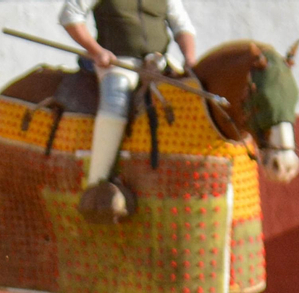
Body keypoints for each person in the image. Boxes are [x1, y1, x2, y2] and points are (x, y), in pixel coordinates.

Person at [59, 0, 198, 207]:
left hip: (158, 63)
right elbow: (70, 15)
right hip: (118, 62)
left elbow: (182, 26)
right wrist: (96, 51)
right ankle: (98, 187)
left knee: (191, 97)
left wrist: (189, 59)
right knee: (116, 100)